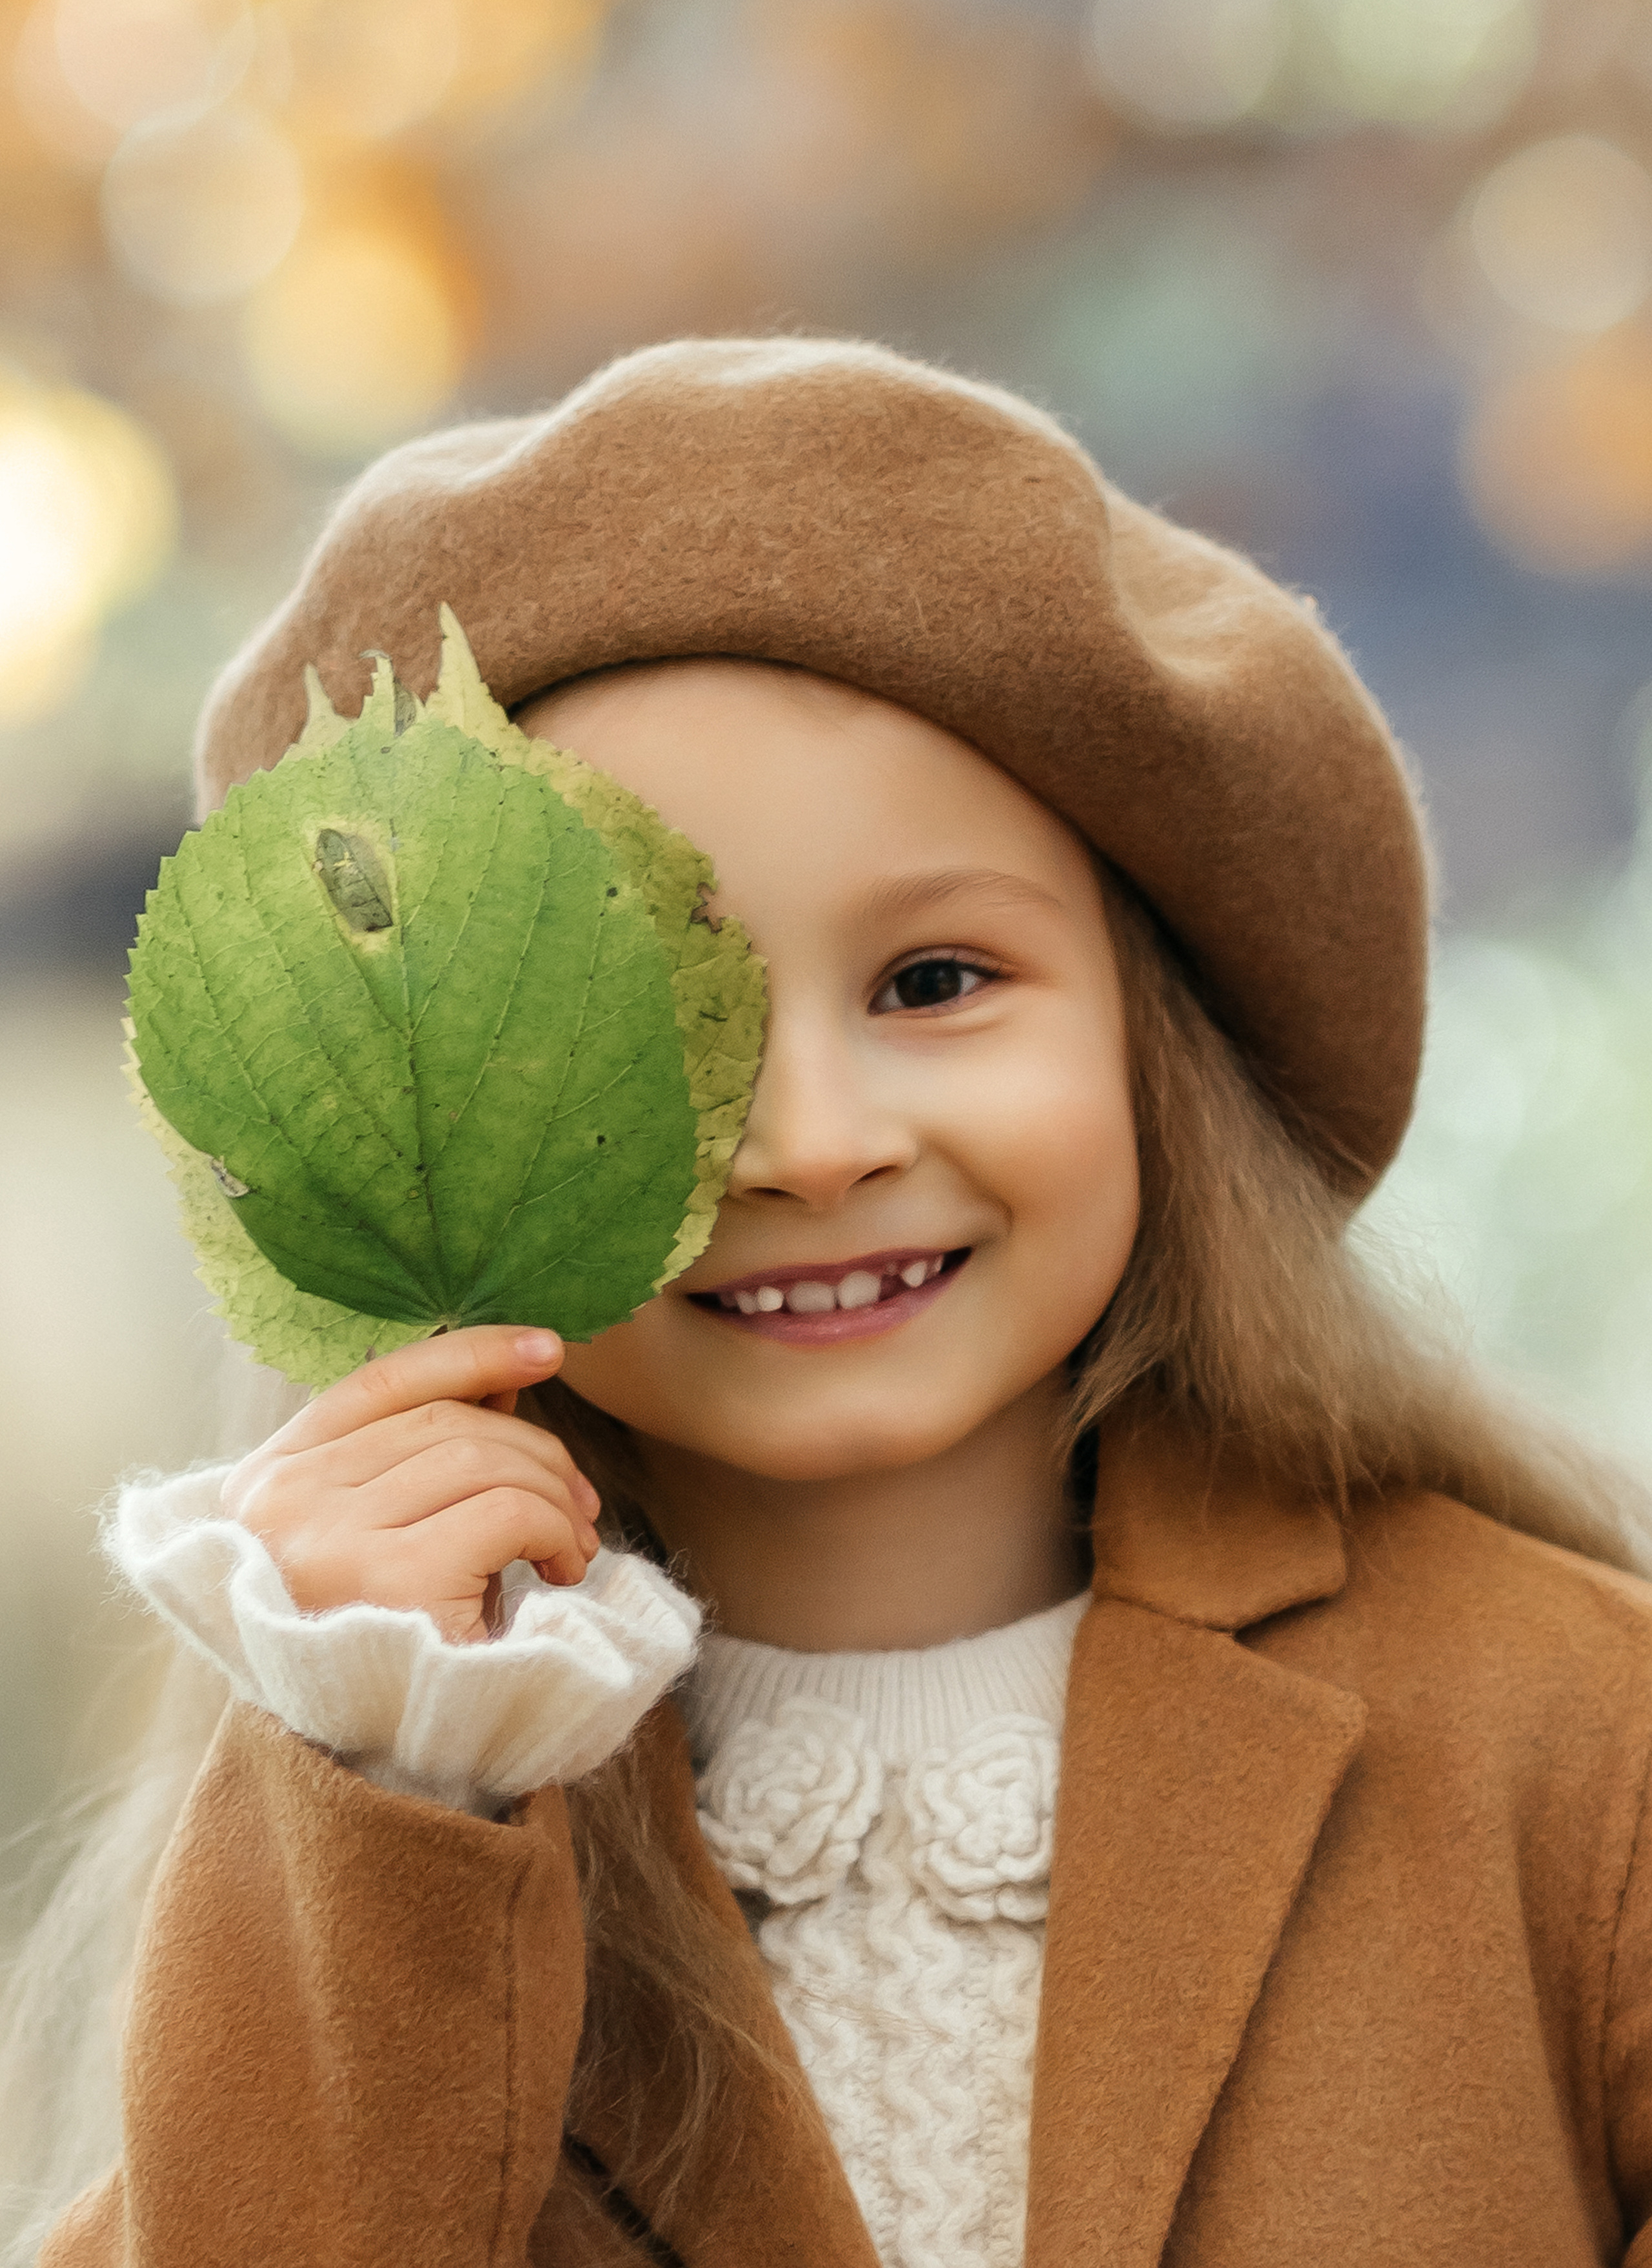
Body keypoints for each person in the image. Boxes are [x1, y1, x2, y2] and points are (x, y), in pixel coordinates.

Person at [11, 338, 1652, 2268]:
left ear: (1160, 1037)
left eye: (939, 980)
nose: (807, 1137)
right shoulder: (373, 1800)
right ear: (425, 1137)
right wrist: (379, 1778)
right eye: (633, 1022)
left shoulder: (1558, 1726)